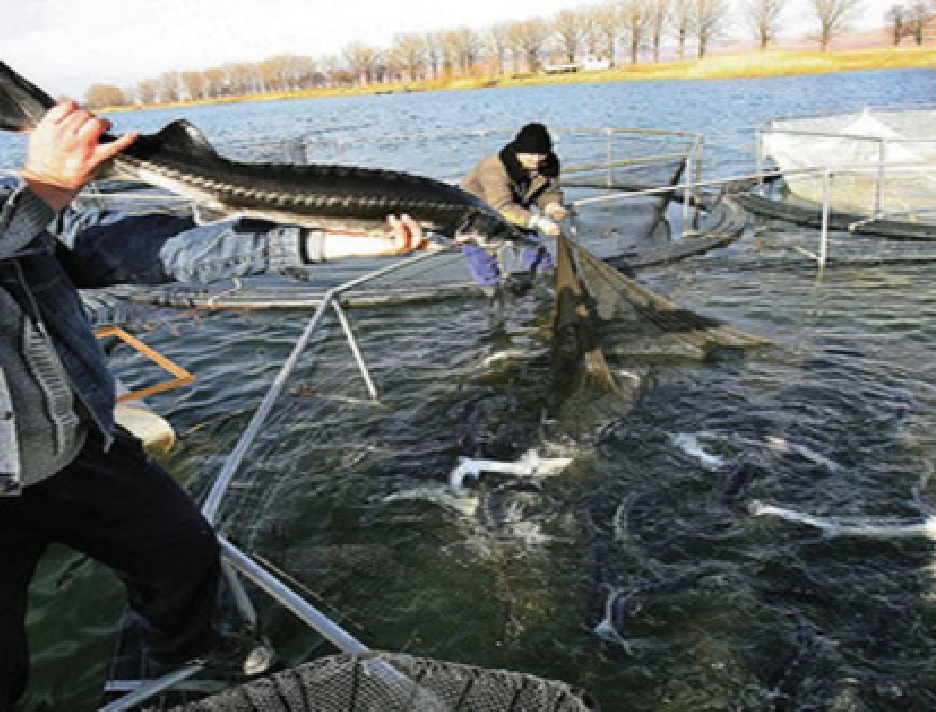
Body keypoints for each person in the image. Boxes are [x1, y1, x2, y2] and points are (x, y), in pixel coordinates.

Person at [0, 100, 429, 711]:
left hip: (74, 445)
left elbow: (125, 247)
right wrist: (40, 187)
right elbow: (32, 208)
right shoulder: (26, 194)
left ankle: (186, 664)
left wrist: (322, 242)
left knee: (181, 551)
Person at [459, 122, 569, 292]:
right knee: (478, 251)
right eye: (530, 154)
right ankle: (492, 290)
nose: (536, 159)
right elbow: (501, 206)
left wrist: (552, 205)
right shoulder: (494, 168)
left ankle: (546, 280)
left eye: (541, 154)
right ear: (518, 150)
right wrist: (537, 221)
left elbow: (547, 191)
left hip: (516, 209)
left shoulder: (547, 164)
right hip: (474, 213)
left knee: (534, 248)